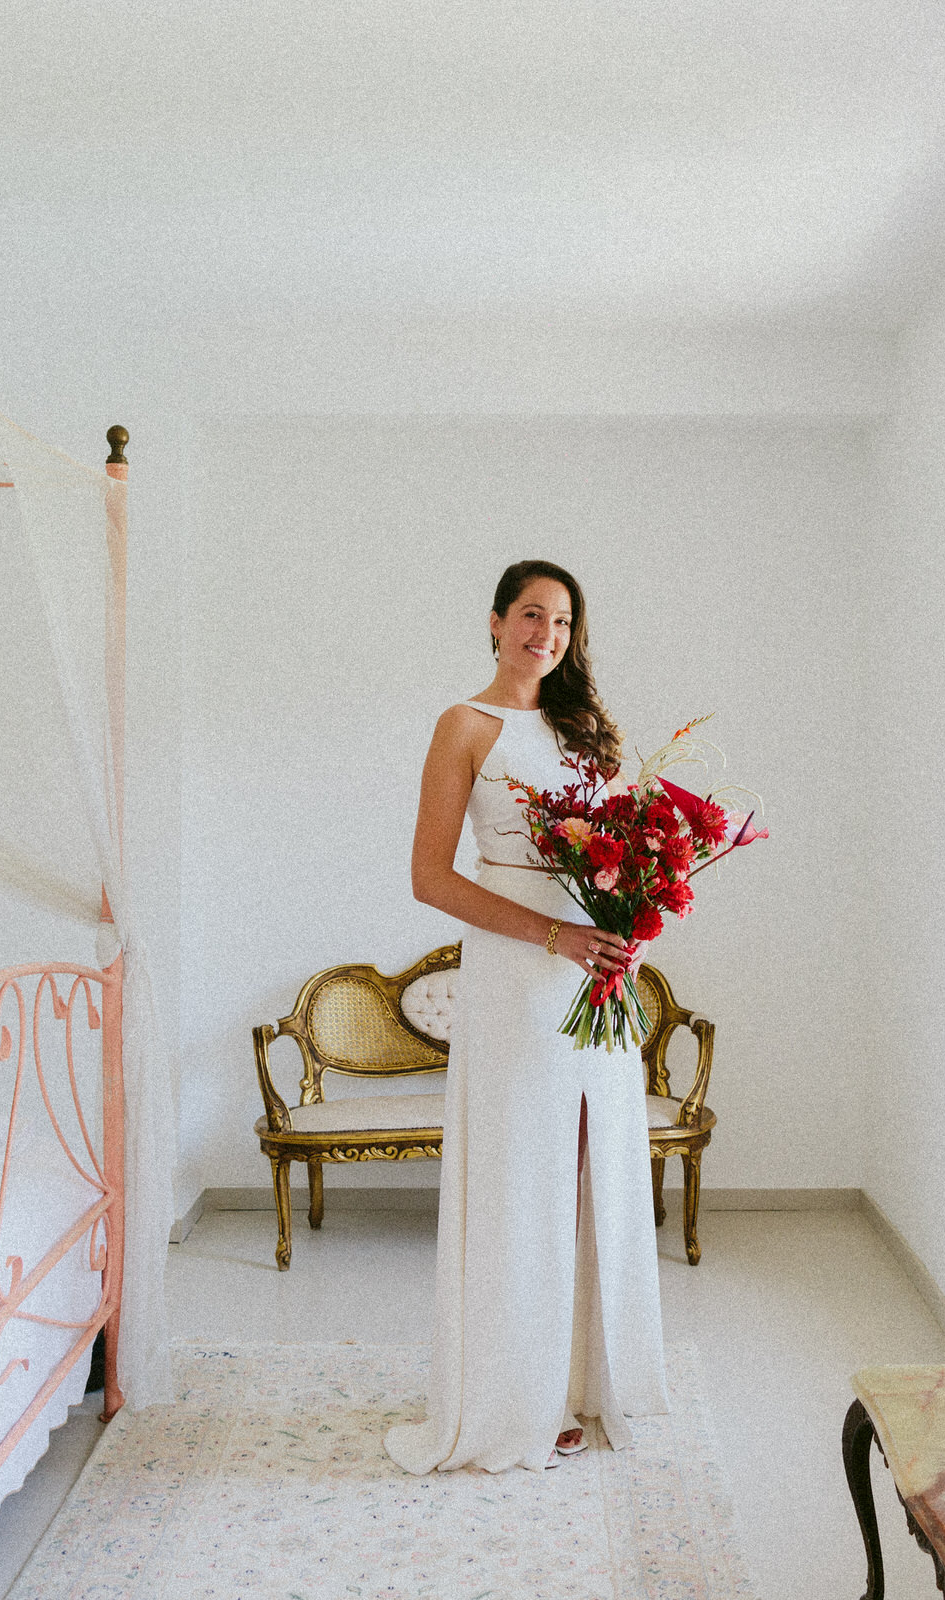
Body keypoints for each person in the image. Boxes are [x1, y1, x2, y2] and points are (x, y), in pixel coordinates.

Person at [384, 559, 672, 1475]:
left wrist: (626, 922)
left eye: (563, 622)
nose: (546, 634)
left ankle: (593, 1381)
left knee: (598, 1170)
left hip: (595, 978)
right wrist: (554, 933)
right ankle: (517, 1399)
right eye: (532, 615)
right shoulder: (465, 726)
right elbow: (431, 877)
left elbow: (616, 856)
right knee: (522, 1178)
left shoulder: (585, 733)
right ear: (497, 621)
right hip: (517, 974)